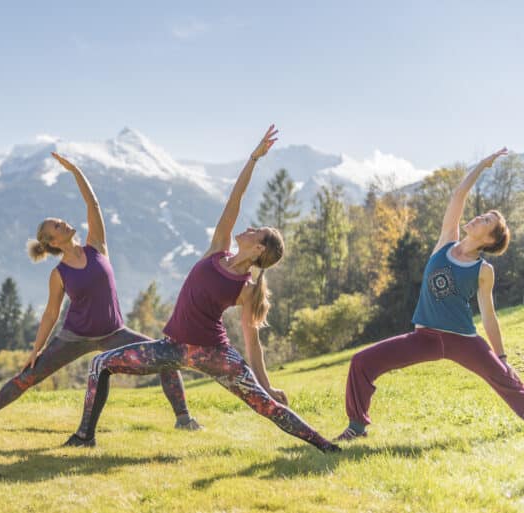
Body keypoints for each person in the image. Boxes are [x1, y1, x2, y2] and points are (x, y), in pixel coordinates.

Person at [64, 127, 340, 452]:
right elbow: (234, 201)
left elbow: (253, 345)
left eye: (256, 232)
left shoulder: (247, 289)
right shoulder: (218, 250)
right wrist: (253, 159)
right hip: (171, 347)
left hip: (213, 355)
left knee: (266, 407)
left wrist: (266, 386)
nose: (248, 229)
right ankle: (85, 438)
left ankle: (327, 447)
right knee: (100, 364)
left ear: (258, 251)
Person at [0, 153, 198, 430]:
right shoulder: (59, 274)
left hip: (115, 334)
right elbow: (51, 313)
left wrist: (75, 170)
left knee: (165, 358)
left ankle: (184, 420)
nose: (64, 223)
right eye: (57, 225)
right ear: (52, 241)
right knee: (30, 374)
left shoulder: (97, 246)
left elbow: (93, 204)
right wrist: (36, 349)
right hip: (74, 337)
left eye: (60, 220)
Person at [336, 148, 521, 441]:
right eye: (483, 214)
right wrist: (482, 166)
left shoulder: (483, 270)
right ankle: (356, 427)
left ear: (489, 239)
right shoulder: (447, 241)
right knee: (361, 361)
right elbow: (458, 195)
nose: (478, 217)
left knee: (509, 382)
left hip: (463, 340)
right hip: (424, 337)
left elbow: (489, 315)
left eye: (486, 220)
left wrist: (500, 356)